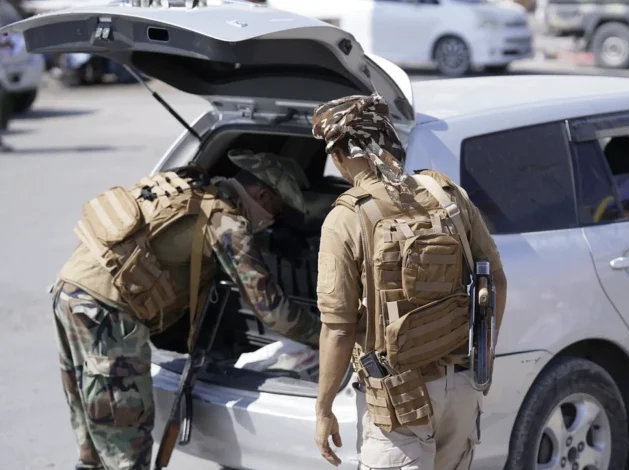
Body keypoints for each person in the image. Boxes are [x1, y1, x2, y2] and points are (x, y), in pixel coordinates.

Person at [50, 150, 321, 470]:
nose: (273, 220)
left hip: (69, 291)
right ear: (262, 195)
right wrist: (328, 336)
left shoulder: (188, 184)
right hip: (107, 314)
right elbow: (272, 310)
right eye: (277, 209)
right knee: (126, 442)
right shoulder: (226, 222)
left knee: (93, 429)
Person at [311, 92, 507, 470]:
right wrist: (482, 357)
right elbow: (496, 279)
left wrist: (323, 409)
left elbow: (338, 328)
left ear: (340, 155)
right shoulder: (446, 195)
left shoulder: (346, 217)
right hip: (461, 387)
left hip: (399, 401)